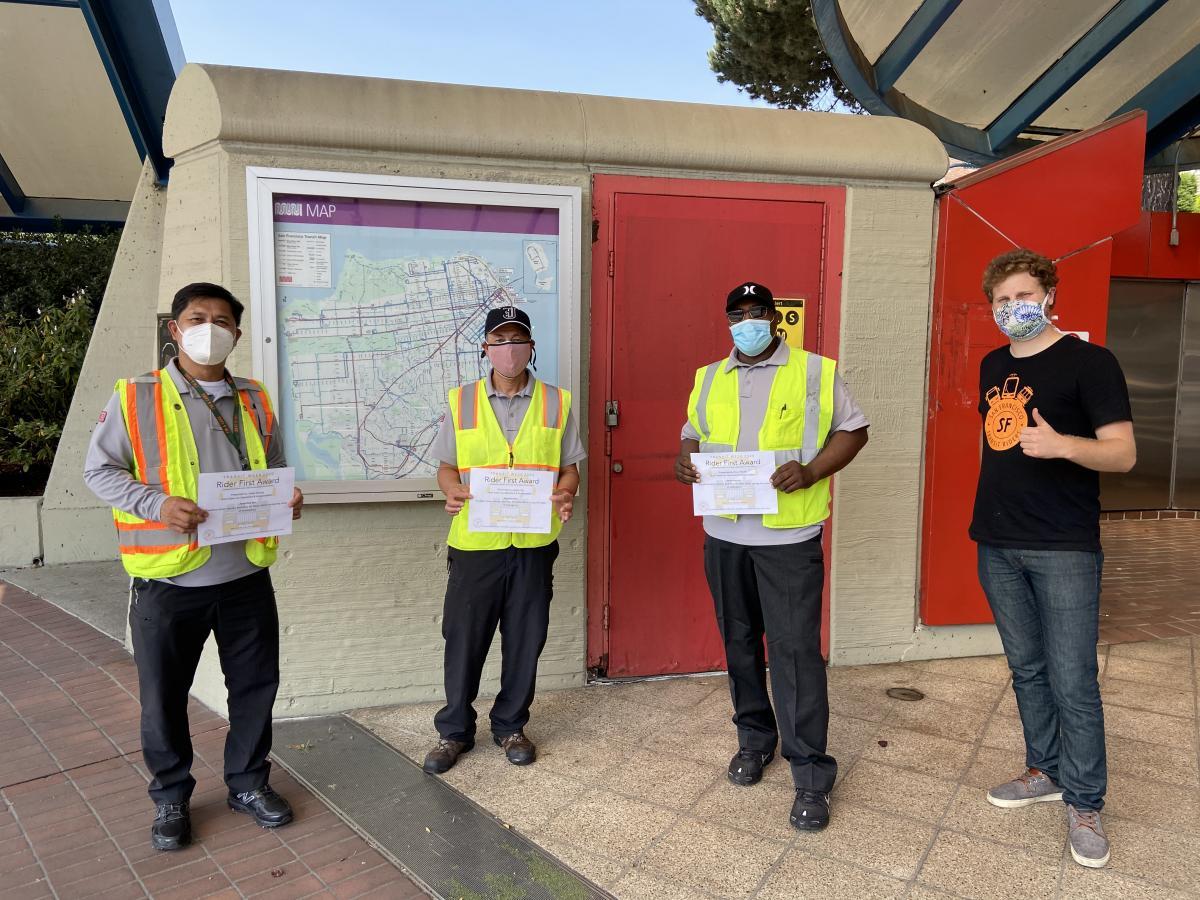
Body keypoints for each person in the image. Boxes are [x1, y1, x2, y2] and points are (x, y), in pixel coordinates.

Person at [84, 283, 303, 851]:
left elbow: (272, 462)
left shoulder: (253, 396)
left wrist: (285, 496)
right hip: (167, 580)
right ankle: (171, 798)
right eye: (197, 318)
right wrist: (156, 504)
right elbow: (100, 472)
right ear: (175, 329)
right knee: (163, 696)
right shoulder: (135, 395)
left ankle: (249, 784)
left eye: (223, 319)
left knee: (255, 688)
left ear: (236, 331)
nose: (211, 328)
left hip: (245, 577)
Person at [675, 281, 869, 831]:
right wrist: (684, 460)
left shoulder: (816, 370)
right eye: (737, 314)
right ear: (728, 321)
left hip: (788, 539)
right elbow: (693, 435)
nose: (747, 321)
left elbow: (854, 432)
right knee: (738, 644)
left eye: (757, 312)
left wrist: (810, 472)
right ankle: (754, 740)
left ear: (776, 319)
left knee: (795, 655)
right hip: (725, 533)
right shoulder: (709, 377)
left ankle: (810, 773)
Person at [971, 249, 1135, 869]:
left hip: (1064, 547)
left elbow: (1121, 455)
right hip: (996, 540)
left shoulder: (1091, 364)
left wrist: (1063, 444)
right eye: (1001, 301)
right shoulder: (992, 365)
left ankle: (1086, 799)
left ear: (1049, 295)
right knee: (1028, 669)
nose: (1012, 309)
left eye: (1022, 296)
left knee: (1073, 679)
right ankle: (1046, 770)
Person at [421, 305, 585, 774]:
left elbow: (569, 467)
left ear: (531, 348)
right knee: (463, 639)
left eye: (517, 340)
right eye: (499, 341)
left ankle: (511, 724)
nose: (508, 350)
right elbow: (447, 465)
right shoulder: (462, 401)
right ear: (485, 349)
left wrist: (566, 493)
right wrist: (450, 488)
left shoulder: (557, 402)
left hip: (533, 544)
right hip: (475, 545)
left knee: (526, 638)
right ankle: (454, 731)